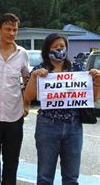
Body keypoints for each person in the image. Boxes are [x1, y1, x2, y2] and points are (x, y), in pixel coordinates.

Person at [24, 33, 100, 184]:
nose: (59, 50)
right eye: (55, 47)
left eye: (62, 47)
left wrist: (97, 82)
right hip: (47, 126)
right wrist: (34, 77)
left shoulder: (77, 68)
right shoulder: (41, 69)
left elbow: (92, 98)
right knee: (45, 177)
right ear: (47, 50)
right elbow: (28, 97)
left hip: (73, 126)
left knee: (71, 177)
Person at [0, 13, 29, 185]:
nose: (12, 33)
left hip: (14, 116)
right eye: (8, 29)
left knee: (12, 160)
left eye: (15, 30)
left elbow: (27, 78)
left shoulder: (22, 54)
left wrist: (26, 103)